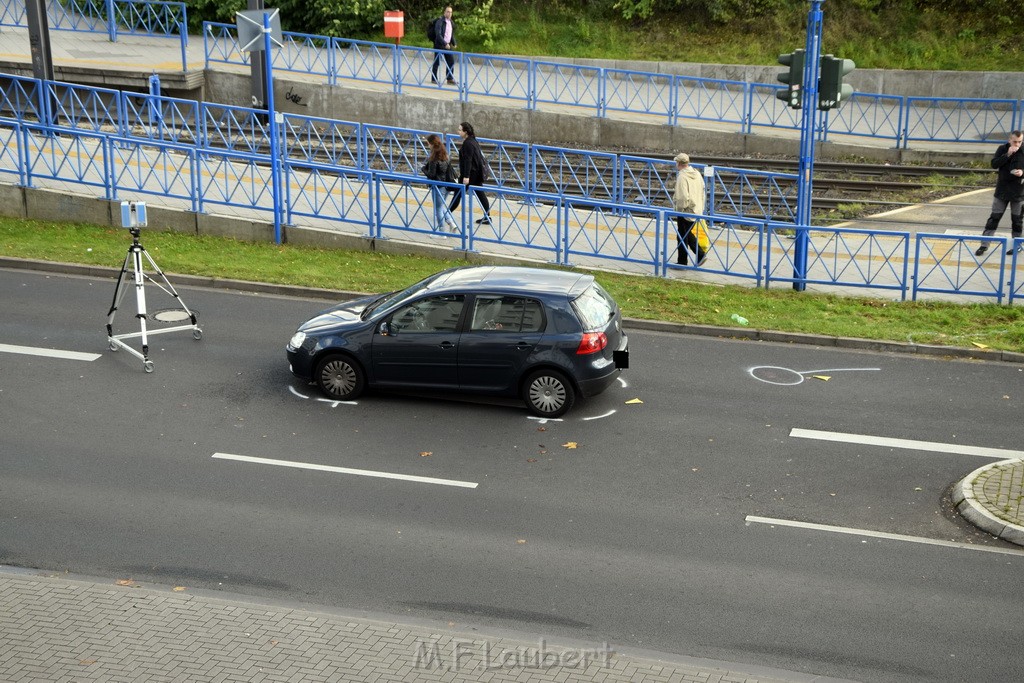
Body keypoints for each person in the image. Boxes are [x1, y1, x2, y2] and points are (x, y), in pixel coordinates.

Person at [975, 130, 1024, 256]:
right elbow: (994, 164)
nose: (1017, 144)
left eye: (1020, 142)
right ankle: (984, 244)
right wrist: (1007, 154)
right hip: (1002, 190)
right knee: (994, 218)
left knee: (1017, 220)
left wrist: (1022, 173)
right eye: (1015, 142)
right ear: (1009, 140)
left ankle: (1017, 245)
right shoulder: (1002, 149)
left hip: (1019, 192)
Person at [448, 121, 492, 225]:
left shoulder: (468, 143)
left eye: (460, 130)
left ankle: (446, 214)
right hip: (476, 173)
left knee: (458, 194)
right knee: (480, 194)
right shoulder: (473, 141)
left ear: (465, 132)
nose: (457, 131)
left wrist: (466, 177)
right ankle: (487, 216)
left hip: (470, 175)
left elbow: (468, 160)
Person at [672, 152, 707, 265]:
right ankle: (696, 257)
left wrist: (679, 210)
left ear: (679, 163)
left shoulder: (682, 176)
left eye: (676, 162)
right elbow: (703, 191)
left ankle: (687, 260)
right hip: (696, 208)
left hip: (685, 211)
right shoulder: (696, 173)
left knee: (682, 236)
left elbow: (682, 197)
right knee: (685, 234)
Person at [421, 133, 458, 235]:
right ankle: (451, 223)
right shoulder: (446, 155)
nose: (428, 146)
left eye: (428, 144)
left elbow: (432, 175)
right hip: (447, 186)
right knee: (441, 206)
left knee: (438, 208)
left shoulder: (434, 158)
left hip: (438, 186)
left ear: (432, 144)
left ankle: (441, 232)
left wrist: (423, 169)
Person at [430, 6, 457, 86]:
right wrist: (445, 43)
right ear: (444, 12)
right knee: (437, 62)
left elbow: (450, 34)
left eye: (451, 12)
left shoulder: (450, 22)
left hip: (447, 45)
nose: (449, 13)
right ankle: (434, 78)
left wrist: (454, 42)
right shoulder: (440, 22)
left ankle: (449, 79)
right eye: (448, 12)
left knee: (451, 61)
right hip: (439, 45)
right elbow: (438, 34)